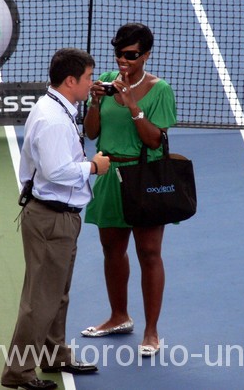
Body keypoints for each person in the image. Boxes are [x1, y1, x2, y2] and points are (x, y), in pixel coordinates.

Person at [1, 48, 111, 390]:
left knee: (57, 293)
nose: (93, 84)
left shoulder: (61, 109)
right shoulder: (51, 119)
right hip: (51, 220)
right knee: (41, 299)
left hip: (61, 218)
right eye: (89, 78)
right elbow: (56, 170)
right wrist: (93, 167)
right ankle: (18, 372)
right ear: (70, 80)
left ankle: (54, 354)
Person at [82, 23, 177, 356]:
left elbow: (154, 139)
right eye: (119, 53)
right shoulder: (108, 80)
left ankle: (151, 333)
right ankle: (119, 316)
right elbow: (92, 133)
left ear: (146, 54)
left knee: (149, 254)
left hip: (144, 177)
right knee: (112, 250)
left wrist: (132, 105)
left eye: (131, 55)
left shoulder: (159, 90)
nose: (123, 60)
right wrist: (94, 102)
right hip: (109, 174)